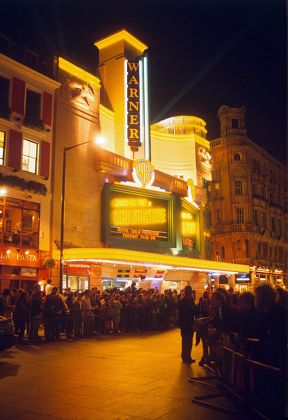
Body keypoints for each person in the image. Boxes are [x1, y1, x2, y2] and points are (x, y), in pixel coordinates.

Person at [177, 285, 198, 364]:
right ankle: (187, 357)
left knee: (185, 340)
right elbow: (194, 310)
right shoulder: (189, 301)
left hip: (183, 323)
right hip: (188, 323)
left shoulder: (181, 301)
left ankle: (185, 356)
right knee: (188, 340)